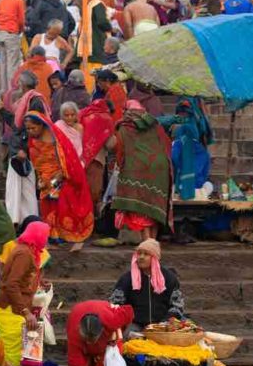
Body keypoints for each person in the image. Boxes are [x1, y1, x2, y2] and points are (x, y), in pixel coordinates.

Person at [0, 220, 49, 366]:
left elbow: (24, 278)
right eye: (45, 236)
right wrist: (26, 312)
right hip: (11, 309)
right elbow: (11, 285)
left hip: (25, 308)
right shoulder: (24, 253)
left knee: (31, 353)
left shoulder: (30, 251)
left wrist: (40, 283)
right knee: (15, 356)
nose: (47, 240)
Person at [24, 111, 94, 249]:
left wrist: (62, 174)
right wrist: (40, 178)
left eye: (33, 128)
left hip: (59, 177)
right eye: (28, 129)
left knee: (62, 206)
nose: (31, 131)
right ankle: (52, 237)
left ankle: (70, 236)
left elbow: (66, 157)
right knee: (47, 207)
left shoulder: (56, 138)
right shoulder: (32, 140)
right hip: (44, 179)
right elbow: (36, 160)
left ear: (42, 125)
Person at [112, 101, 173, 241]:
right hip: (160, 170)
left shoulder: (125, 128)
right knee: (154, 210)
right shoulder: (155, 125)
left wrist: (121, 167)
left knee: (141, 210)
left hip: (137, 170)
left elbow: (120, 153)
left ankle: (147, 244)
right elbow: (166, 145)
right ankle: (152, 243)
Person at [67, 300, 134, 366]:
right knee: (81, 363)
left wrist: (118, 330)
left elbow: (129, 311)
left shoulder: (112, 320)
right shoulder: (74, 331)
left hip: (107, 335)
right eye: (87, 339)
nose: (89, 343)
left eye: (92, 340)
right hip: (78, 316)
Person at [110, 239, 185, 332]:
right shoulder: (127, 278)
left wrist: (164, 323)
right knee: (128, 336)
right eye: (139, 253)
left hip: (163, 324)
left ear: (155, 258)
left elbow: (177, 306)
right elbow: (115, 305)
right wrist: (127, 320)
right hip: (136, 323)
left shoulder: (169, 278)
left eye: (146, 254)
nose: (141, 257)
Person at [4, 71, 47, 225]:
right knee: (20, 189)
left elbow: (31, 129)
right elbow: (18, 127)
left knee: (20, 189)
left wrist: (23, 149)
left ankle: (19, 221)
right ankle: (23, 221)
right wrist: (2, 110)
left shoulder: (34, 101)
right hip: (21, 148)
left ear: (23, 84)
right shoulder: (29, 100)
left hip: (24, 151)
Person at [79, 98, 116, 207]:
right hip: (96, 159)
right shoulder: (106, 118)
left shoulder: (83, 113)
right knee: (93, 190)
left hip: (78, 157)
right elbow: (109, 144)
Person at [77, 0, 113, 91]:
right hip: (96, 47)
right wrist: (111, 28)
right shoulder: (98, 4)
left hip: (88, 47)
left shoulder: (90, 4)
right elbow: (102, 22)